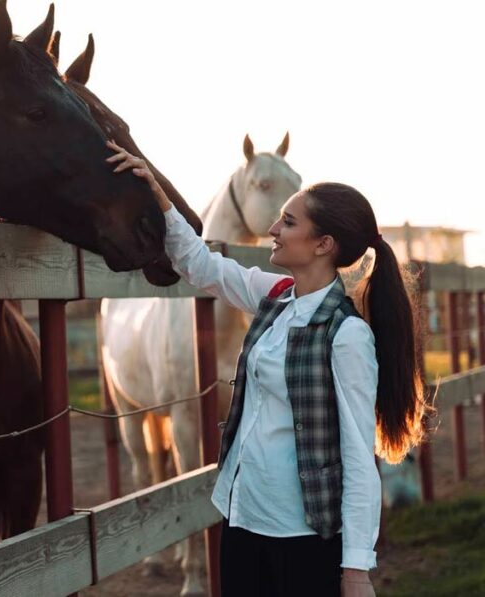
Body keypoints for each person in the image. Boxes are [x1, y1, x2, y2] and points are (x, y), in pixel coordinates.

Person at [106, 141, 430, 597]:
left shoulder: (347, 335)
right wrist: (156, 192)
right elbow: (202, 265)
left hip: (301, 535)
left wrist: (356, 570)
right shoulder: (276, 295)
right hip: (241, 519)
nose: (274, 228)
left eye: (289, 222)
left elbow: (359, 458)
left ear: (323, 244)